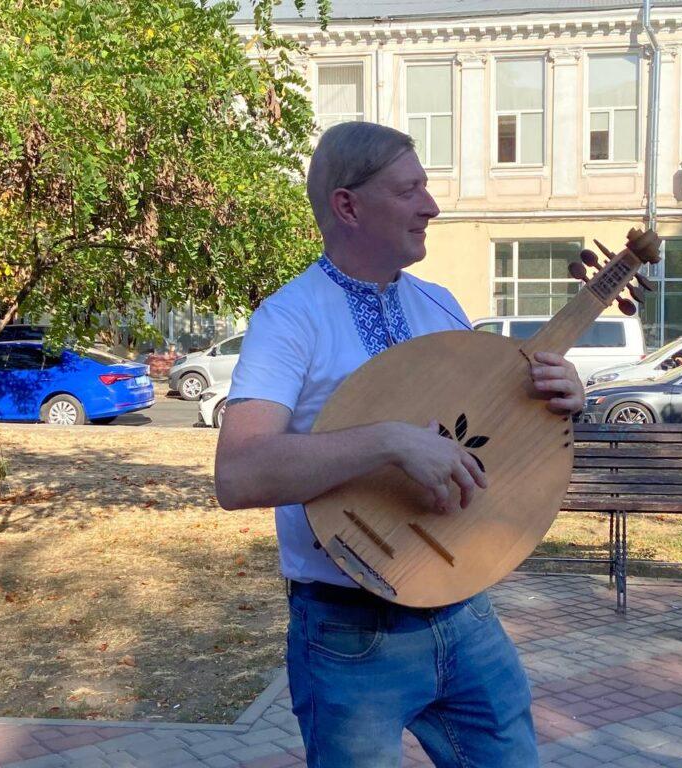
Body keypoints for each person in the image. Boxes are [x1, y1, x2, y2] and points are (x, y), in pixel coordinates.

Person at [213, 121, 585, 767]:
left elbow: (481, 434)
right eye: (408, 190)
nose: (431, 206)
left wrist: (559, 398)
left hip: (464, 608)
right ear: (348, 205)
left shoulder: (440, 306)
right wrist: (388, 441)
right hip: (349, 629)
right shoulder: (290, 317)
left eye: (426, 188)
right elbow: (239, 475)